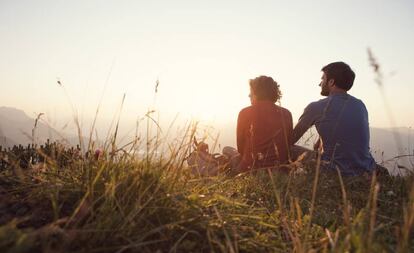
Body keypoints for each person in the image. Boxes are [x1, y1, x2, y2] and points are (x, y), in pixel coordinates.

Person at [292, 62, 378, 176]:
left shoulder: (316, 107)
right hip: (365, 169)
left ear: (331, 82)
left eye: (323, 79)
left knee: (287, 148)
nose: (320, 83)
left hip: (333, 170)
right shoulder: (360, 105)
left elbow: (291, 138)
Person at [224, 75, 293, 173]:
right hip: (279, 169)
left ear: (257, 93)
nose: (249, 95)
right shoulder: (286, 113)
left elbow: (240, 148)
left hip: (250, 169)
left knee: (227, 149)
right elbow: (288, 144)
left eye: (251, 93)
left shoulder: (245, 113)